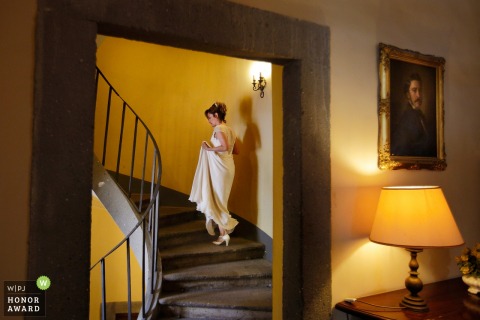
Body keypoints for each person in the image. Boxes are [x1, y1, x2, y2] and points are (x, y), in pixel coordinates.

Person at [189, 102, 239, 246]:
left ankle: (224, 234)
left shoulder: (218, 128)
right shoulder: (231, 130)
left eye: (210, 118)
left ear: (216, 115)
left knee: (217, 200)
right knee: (220, 200)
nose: (209, 121)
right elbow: (235, 151)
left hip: (220, 170)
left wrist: (208, 148)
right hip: (229, 167)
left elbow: (225, 147)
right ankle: (223, 234)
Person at [391, 73, 435, 157]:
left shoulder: (421, 116)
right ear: (408, 95)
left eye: (420, 90)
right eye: (414, 90)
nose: (419, 95)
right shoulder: (406, 120)